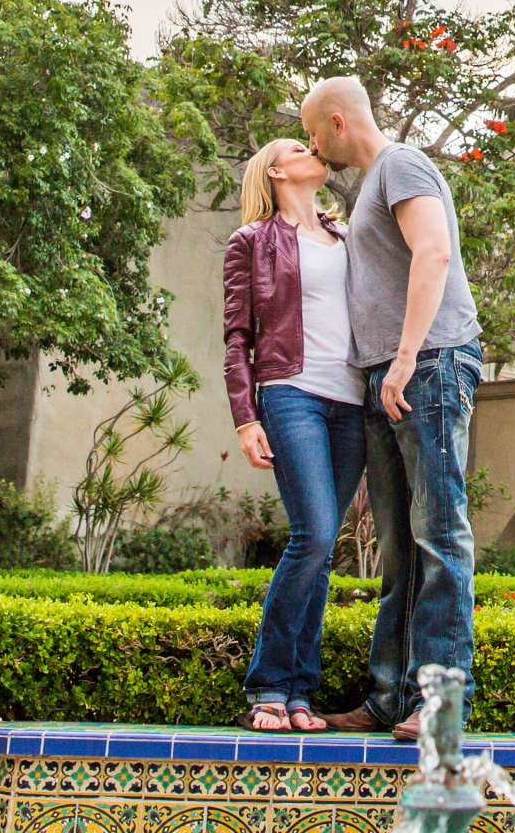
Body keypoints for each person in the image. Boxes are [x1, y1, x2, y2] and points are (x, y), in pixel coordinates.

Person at [300, 75, 482, 740]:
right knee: (401, 547)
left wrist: (406, 358)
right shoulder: (371, 189)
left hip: (428, 365)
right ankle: (389, 698)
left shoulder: (402, 164)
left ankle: (441, 703)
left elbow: (433, 252)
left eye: (313, 130)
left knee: (439, 532)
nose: (311, 143)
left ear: (339, 121)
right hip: (390, 376)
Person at [223, 135, 366, 733]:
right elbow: (237, 336)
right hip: (291, 393)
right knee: (310, 535)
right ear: (277, 171)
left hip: (352, 402)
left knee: (323, 544)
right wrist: (245, 416)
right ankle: (269, 686)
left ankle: (301, 693)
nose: (314, 153)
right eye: (298, 149)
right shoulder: (252, 242)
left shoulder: (343, 234)